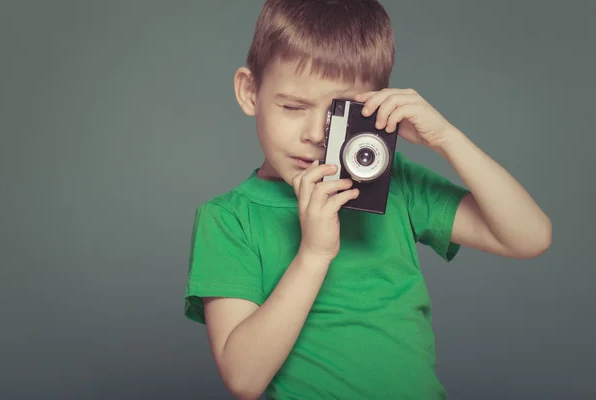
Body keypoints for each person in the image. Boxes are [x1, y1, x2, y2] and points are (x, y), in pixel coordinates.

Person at [183, 1, 552, 399]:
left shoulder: (396, 183)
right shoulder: (228, 219)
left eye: (340, 113)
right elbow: (243, 378)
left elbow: (530, 237)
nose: (313, 133)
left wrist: (445, 139)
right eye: (293, 107)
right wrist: (313, 255)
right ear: (250, 91)